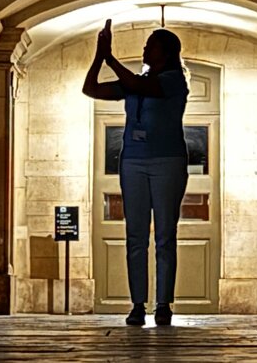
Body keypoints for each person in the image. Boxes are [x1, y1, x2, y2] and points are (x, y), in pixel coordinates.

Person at [82, 19, 189, 326]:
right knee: (135, 235)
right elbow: (90, 89)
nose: (144, 48)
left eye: (150, 45)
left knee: (165, 235)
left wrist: (110, 57)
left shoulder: (174, 80)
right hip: (133, 161)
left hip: (167, 161)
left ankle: (163, 304)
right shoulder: (135, 82)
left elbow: (142, 87)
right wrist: (99, 56)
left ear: (166, 52)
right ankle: (138, 304)